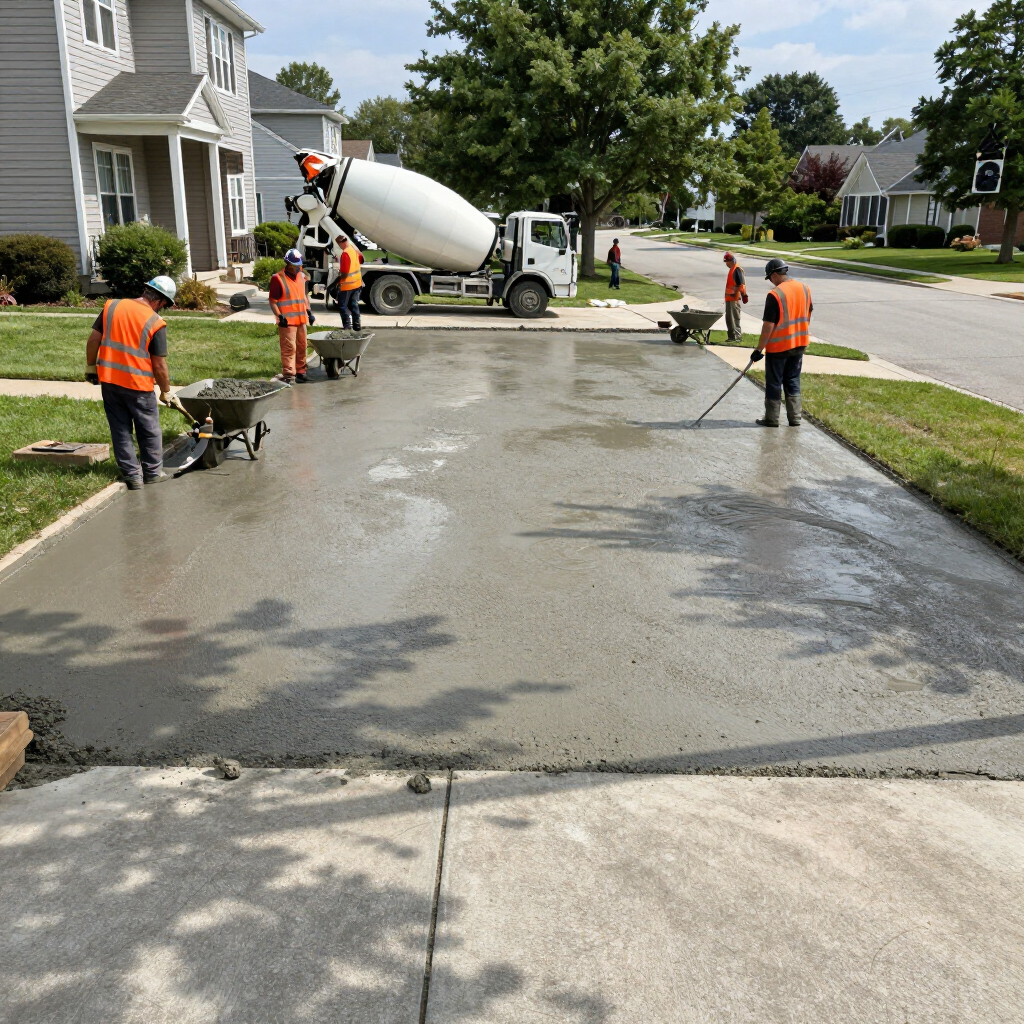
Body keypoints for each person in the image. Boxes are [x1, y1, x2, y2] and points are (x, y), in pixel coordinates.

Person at [85, 276, 176, 489]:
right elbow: (159, 366)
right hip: (138, 386)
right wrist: (166, 391)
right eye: (165, 305)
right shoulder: (155, 322)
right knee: (149, 429)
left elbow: (93, 340)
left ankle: (133, 477)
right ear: (160, 301)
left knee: (120, 429)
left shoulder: (112, 307)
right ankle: (153, 473)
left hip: (109, 381)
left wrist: (91, 367)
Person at [749, 258, 812, 427]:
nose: (770, 281)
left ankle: (772, 418)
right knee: (792, 380)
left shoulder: (775, 294)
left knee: (774, 382)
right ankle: (795, 418)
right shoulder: (805, 288)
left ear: (775, 274)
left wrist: (759, 349)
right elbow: (809, 313)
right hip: (799, 343)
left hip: (779, 347)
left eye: (770, 277)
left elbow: (768, 325)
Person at [268, 248, 314, 384]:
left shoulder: (301, 277)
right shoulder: (278, 278)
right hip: (287, 321)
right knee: (289, 348)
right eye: (296, 266)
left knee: (302, 345)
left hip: (301, 320)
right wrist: (279, 316)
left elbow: (303, 296)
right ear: (288, 264)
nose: (299, 268)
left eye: (299, 265)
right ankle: (289, 375)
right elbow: (272, 301)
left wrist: (309, 312)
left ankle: (301, 371)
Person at [334, 234, 364, 334]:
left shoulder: (345, 253)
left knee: (343, 306)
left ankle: (347, 327)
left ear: (340, 243)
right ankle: (357, 326)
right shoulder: (353, 249)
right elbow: (361, 259)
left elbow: (345, 273)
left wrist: (338, 281)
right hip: (357, 283)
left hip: (347, 285)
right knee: (354, 304)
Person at [722, 251, 748, 341]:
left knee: (734, 318)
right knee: (729, 319)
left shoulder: (737, 269)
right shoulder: (732, 269)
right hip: (730, 298)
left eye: (726, 262)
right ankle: (732, 337)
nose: (726, 264)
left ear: (730, 261)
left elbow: (741, 285)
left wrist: (744, 295)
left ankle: (736, 337)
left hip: (734, 298)